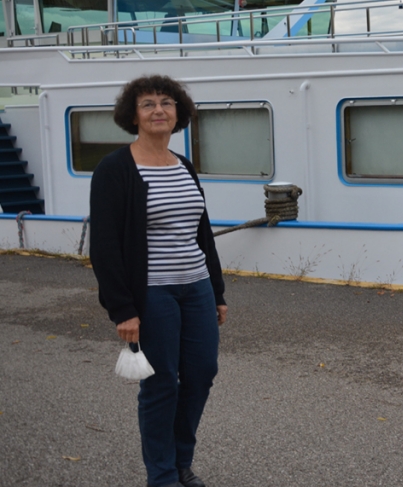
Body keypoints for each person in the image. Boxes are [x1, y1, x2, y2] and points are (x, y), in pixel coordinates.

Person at [90, 75, 227, 487]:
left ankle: (181, 460)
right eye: (148, 104)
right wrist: (123, 308)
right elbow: (106, 245)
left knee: (202, 373)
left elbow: (201, 233)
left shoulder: (183, 165)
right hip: (153, 293)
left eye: (166, 103)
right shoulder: (115, 168)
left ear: (178, 113)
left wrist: (217, 292)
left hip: (196, 286)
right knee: (161, 382)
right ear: (133, 115)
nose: (158, 110)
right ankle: (163, 475)